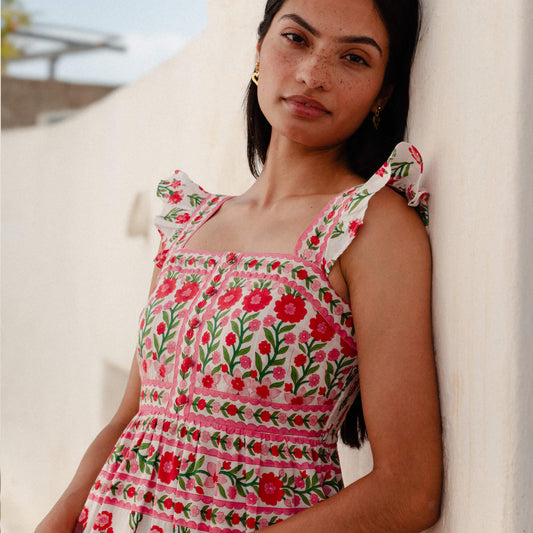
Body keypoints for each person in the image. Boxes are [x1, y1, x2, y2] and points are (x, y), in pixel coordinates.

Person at [36, 0, 442, 531]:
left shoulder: (367, 227)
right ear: (258, 50)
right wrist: (57, 519)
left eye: (354, 59)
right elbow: (132, 415)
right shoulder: (191, 224)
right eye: (296, 39)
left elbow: (409, 489)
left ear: (383, 92)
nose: (311, 75)